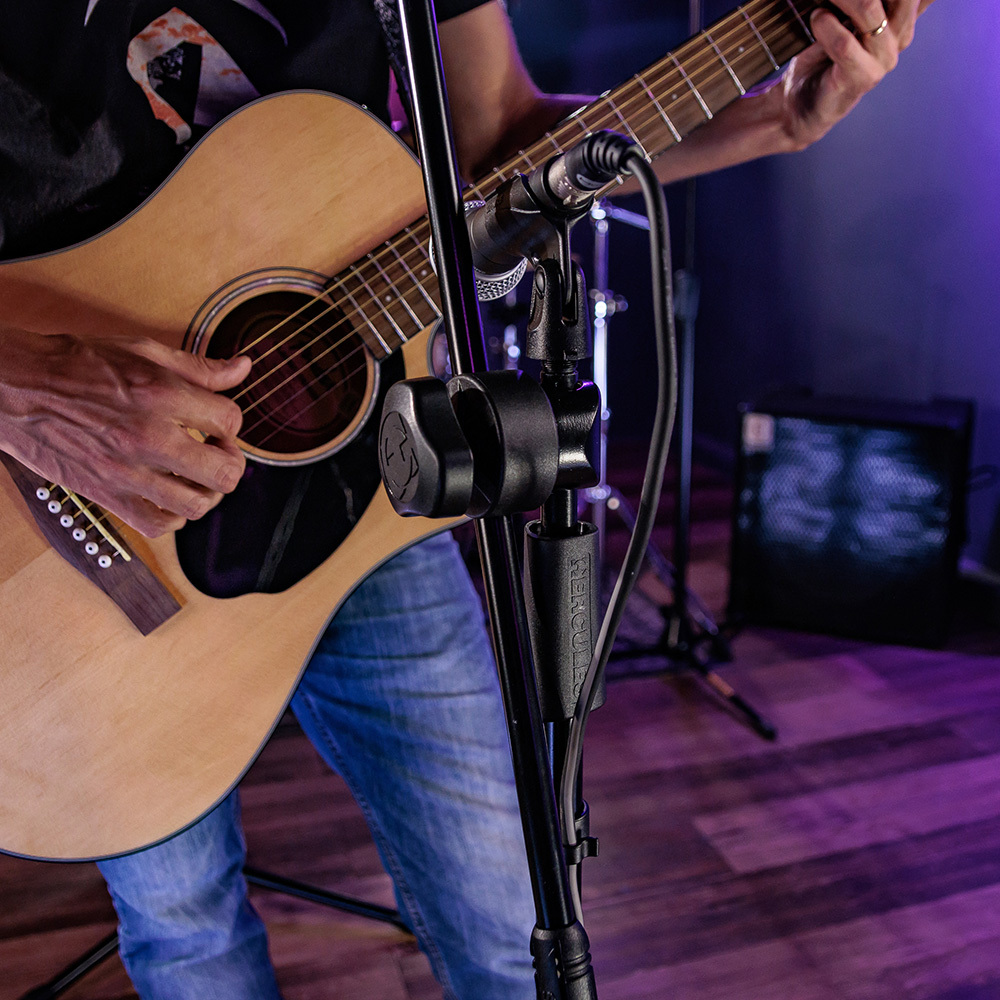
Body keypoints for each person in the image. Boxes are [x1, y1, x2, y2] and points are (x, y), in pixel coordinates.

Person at [0, 0, 923, 997]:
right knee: (187, 931)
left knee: (509, 922)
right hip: (60, 527)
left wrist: (775, 119)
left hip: (368, 494)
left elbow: (503, 148)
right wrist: (29, 390)